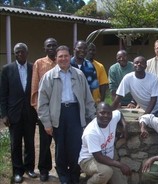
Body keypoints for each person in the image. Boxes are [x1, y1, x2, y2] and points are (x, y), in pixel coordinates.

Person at [38, 45, 96, 184]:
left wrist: (92, 118)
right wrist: (46, 123)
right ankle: (63, 177)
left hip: (75, 113)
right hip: (58, 114)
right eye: (60, 56)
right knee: (60, 148)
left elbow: (88, 99)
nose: (63, 59)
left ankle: (74, 175)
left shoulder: (79, 74)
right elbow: (42, 103)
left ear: (70, 57)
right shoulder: (49, 76)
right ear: (56, 59)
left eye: (66, 56)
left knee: (76, 146)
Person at [0, 43, 38, 183]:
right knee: (15, 144)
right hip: (13, 114)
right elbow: (3, 94)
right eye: (17, 52)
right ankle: (17, 171)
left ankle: (30, 168)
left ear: (27, 53)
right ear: (14, 54)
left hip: (30, 113)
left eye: (22, 52)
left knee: (30, 142)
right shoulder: (7, 69)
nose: (20, 54)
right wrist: (3, 114)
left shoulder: (33, 68)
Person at [78, 102, 131, 184]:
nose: (106, 115)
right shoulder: (91, 132)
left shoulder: (113, 118)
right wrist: (120, 165)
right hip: (88, 160)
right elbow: (99, 157)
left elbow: (119, 113)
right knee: (106, 172)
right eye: (102, 113)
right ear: (96, 113)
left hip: (107, 159)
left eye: (108, 113)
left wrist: (124, 125)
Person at [31, 37, 57, 181]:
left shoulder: (61, 62)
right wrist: (39, 111)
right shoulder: (39, 63)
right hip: (45, 110)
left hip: (60, 110)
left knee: (61, 141)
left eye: (54, 45)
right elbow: (35, 89)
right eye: (49, 46)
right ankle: (44, 169)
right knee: (45, 142)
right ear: (44, 48)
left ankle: (61, 167)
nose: (51, 48)